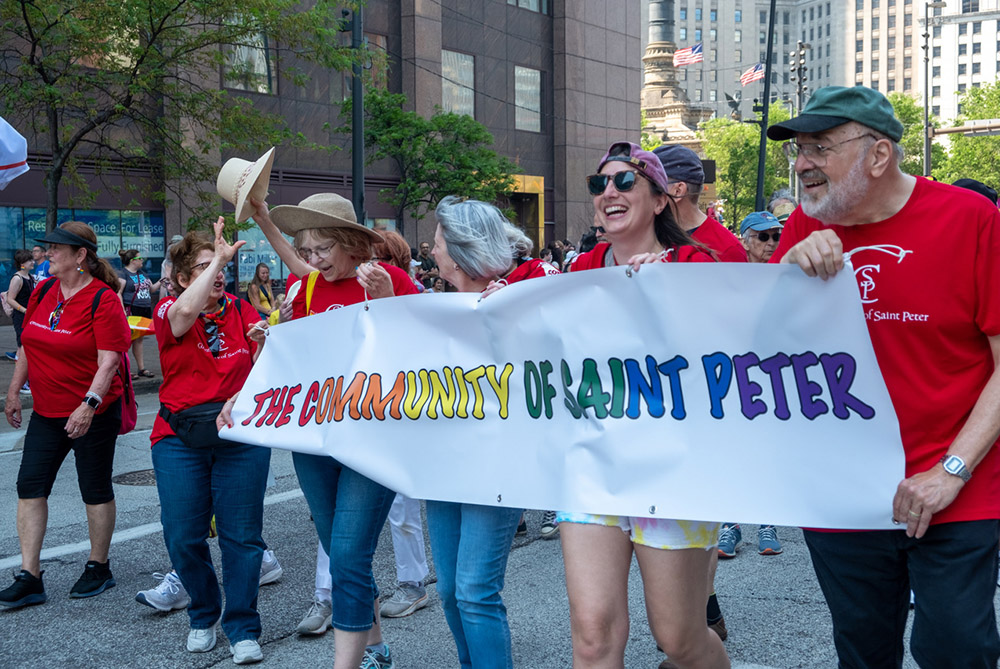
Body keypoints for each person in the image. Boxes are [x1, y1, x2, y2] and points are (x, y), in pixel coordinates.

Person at [768, 84, 1000, 668]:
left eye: (820, 147)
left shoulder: (971, 218)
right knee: (864, 652)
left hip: (956, 484)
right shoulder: (801, 227)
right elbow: (762, 354)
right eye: (798, 150)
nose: (802, 165)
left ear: (878, 155)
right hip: (843, 490)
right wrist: (787, 277)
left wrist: (952, 470)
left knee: (956, 649)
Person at [230, 193, 417, 669]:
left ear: (353, 244)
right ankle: (376, 649)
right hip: (314, 439)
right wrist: (263, 357)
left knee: (349, 554)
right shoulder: (307, 287)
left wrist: (387, 302)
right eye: (306, 253)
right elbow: (292, 362)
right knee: (342, 552)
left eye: (322, 250)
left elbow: (420, 357)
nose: (311, 261)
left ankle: (346, 663)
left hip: (373, 439)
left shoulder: (389, 280)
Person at [564, 142, 728, 669]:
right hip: (593, 466)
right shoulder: (579, 270)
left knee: (680, 639)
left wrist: (672, 294)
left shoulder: (696, 264)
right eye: (599, 185)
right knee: (593, 638)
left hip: (675, 468)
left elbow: (733, 357)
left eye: (623, 182)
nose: (607, 192)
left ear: (660, 201)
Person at [427, 195, 557, 669]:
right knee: (447, 591)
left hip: (500, 461)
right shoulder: (441, 304)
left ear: (461, 249)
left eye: (439, 243)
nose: (432, 251)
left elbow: (569, 328)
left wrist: (516, 310)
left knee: (475, 589)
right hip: (445, 462)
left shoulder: (533, 282)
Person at [147, 220, 270, 664]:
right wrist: (218, 256)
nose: (218, 273)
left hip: (240, 436)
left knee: (242, 537)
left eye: (219, 266)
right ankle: (203, 614)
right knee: (183, 535)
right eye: (203, 267)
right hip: (179, 437)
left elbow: (270, 367)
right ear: (182, 280)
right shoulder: (168, 311)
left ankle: (242, 627)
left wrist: (265, 348)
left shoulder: (243, 310)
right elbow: (182, 318)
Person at [0, 222, 130, 609]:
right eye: (48, 248)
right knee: (30, 486)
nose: (48, 254)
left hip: (93, 411)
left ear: (80, 257)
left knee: (94, 488)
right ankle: (30, 576)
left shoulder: (103, 299)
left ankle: (98, 565)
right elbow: (27, 347)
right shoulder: (42, 291)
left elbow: (109, 361)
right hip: (46, 410)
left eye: (57, 248)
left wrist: (87, 405)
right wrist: (12, 391)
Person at [370, 230, 432, 620]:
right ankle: (331, 593)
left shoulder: (403, 284)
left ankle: (413, 582)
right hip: (365, 402)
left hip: (398, 405)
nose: (371, 265)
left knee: (401, 500)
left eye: (378, 256)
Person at [653, 144, 746, 262]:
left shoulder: (728, 249)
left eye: (654, 185)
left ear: (678, 191)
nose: (645, 191)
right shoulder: (643, 234)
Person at [117, 249, 160, 379]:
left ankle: (141, 368)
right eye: (139, 258)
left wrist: (161, 281)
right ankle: (125, 369)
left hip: (145, 308)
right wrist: (122, 309)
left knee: (139, 339)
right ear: (132, 261)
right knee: (128, 340)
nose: (142, 260)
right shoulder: (123, 274)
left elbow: (151, 289)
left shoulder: (143, 273)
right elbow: (118, 292)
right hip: (132, 308)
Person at [5, 249, 35, 371]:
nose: (33, 262)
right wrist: (24, 310)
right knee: (21, 346)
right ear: (22, 263)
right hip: (21, 316)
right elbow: (10, 299)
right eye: (29, 260)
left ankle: (25, 379)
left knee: (26, 346)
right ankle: (21, 381)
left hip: (28, 316)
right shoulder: (17, 278)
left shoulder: (30, 277)